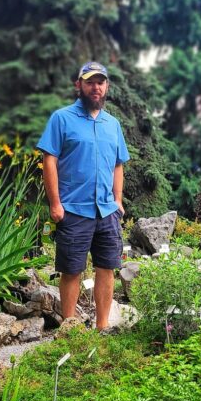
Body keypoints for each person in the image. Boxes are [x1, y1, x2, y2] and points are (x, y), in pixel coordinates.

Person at [37, 61, 130, 331]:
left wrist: (118, 201)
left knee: (107, 269)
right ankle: (70, 330)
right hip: (74, 210)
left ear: (107, 87)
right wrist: (55, 204)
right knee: (71, 271)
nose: (96, 87)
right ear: (79, 85)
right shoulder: (61, 118)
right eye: (90, 82)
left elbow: (118, 164)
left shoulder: (112, 124)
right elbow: (49, 159)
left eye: (100, 82)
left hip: (106, 211)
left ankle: (102, 327)